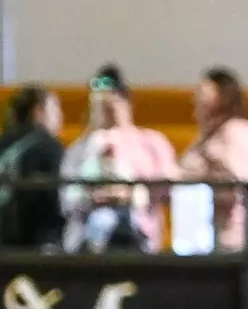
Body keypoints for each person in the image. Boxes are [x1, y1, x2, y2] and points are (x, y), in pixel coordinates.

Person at [60, 65, 179, 252]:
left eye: (111, 105)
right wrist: (93, 196)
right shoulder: (80, 149)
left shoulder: (152, 143)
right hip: (87, 242)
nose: (106, 111)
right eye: (100, 106)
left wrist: (131, 194)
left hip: (139, 238)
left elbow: (171, 187)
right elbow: (66, 199)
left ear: (126, 102)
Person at [180, 67, 248, 254]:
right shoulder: (205, 139)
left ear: (221, 96)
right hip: (212, 243)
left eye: (202, 92)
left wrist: (207, 167)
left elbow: (236, 182)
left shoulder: (240, 132)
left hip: (242, 243)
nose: (195, 99)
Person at [0, 86, 66, 248]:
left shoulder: (4, 143)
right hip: (36, 240)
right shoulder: (49, 146)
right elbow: (56, 198)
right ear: (38, 111)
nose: (61, 117)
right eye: (55, 109)